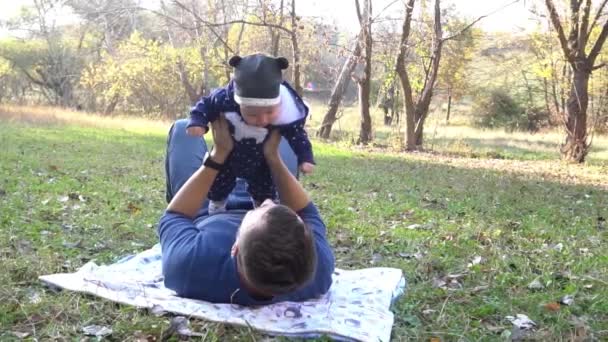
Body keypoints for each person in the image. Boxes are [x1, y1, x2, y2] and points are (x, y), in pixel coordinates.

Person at [159, 116, 335, 305]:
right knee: (282, 132)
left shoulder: (189, 265)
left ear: (235, 248)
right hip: (263, 184)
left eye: (260, 209)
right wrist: (273, 158)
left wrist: (218, 156)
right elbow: (306, 211)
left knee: (183, 128)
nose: (268, 202)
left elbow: (176, 215)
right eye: (276, 207)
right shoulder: (319, 269)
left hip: (204, 206)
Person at [186, 53, 315, 213]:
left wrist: (305, 157)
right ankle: (217, 206)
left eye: (269, 112)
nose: (262, 120)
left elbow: (297, 134)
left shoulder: (285, 108)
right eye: (252, 114)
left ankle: (261, 208)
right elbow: (204, 105)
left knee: (265, 188)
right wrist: (198, 122)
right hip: (227, 158)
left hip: (261, 160)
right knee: (218, 184)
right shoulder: (224, 99)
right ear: (238, 103)